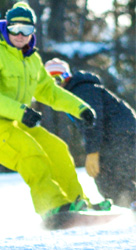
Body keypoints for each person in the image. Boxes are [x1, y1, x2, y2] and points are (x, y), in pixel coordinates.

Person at [0, 2, 99, 219]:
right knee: (31, 153)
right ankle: (52, 207)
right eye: (15, 28)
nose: (20, 35)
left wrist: (81, 108)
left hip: (13, 121)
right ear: (6, 27)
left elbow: (49, 92)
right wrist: (21, 111)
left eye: (26, 30)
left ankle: (77, 202)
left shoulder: (31, 60)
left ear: (33, 32)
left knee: (57, 148)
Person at [44, 58, 136, 208]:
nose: (57, 84)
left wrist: (93, 152)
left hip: (120, 136)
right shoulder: (73, 93)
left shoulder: (82, 90)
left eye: (59, 78)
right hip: (114, 137)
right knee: (109, 177)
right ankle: (132, 202)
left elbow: (93, 122)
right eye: (51, 80)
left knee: (111, 176)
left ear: (67, 77)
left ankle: (132, 201)